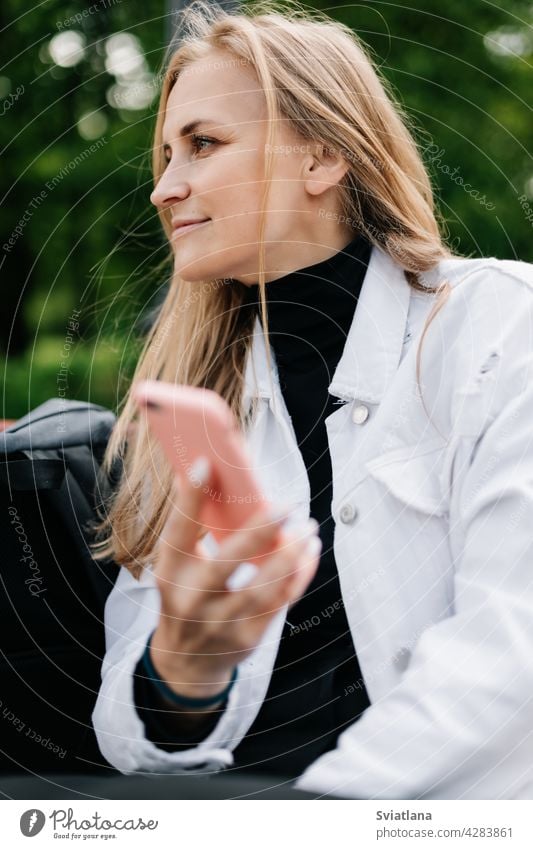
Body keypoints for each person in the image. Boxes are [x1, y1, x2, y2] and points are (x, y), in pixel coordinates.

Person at [91, 0, 533, 799]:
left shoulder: (501, 325)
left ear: (322, 157)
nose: (164, 188)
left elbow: (512, 646)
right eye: (164, 155)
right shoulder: (195, 399)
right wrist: (181, 673)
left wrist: (317, 813)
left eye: (203, 145)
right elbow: (126, 739)